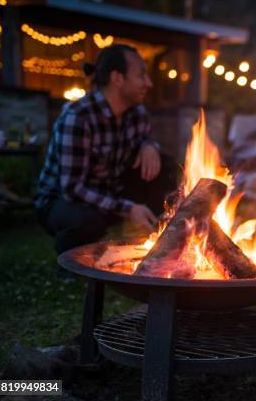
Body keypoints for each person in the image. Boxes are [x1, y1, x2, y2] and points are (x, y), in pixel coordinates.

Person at [34, 44, 178, 260]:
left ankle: (161, 240)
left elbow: (145, 140)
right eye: (141, 75)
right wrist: (128, 208)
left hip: (110, 193)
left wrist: (150, 146)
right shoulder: (78, 117)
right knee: (87, 220)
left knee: (164, 165)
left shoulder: (137, 112)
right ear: (117, 78)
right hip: (62, 200)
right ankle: (69, 257)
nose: (148, 83)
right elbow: (72, 188)